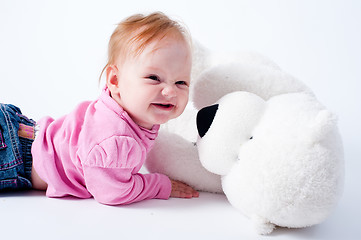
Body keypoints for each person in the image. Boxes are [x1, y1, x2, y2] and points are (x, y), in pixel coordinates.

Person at [0, 12, 199, 205]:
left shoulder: (119, 111)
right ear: (115, 80)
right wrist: (158, 185)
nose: (170, 92)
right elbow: (112, 192)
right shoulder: (116, 140)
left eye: (181, 82)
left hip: (17, 133)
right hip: (12, 154)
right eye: (154, 78)